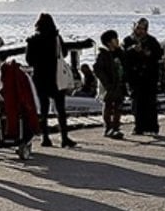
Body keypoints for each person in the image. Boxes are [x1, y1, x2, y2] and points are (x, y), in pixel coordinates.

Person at [25, 13, 93, 148]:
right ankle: (64, 138)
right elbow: (65, 53)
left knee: (43, 109)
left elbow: (29, 60)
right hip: (56, 77)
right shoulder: (55, 38)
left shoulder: (32, 40)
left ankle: (45, 138)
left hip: (40, 77)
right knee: (60, 109)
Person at [124, 18, 164, 135]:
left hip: (149, 77)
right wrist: (132, 50)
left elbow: (158, 55)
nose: (139, 31)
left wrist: (148, 54)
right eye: (137, 28)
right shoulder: (128, 40)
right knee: (136, 103)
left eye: (142, 29)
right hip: (135, 77)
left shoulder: (152, 41)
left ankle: (152, 127)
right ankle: (138, 127)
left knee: (150, 103)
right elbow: (124, 56)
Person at [93, 30, 127, 139]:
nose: (117, 41)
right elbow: (98, 69)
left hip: (119, 84)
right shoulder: (103, 54)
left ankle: (116, 127)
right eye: (114, 39)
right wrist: (106, 83)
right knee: (108, 105)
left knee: (118, 106)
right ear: (108, 42)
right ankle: (108, 127)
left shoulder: (119, 52)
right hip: (108, 85)